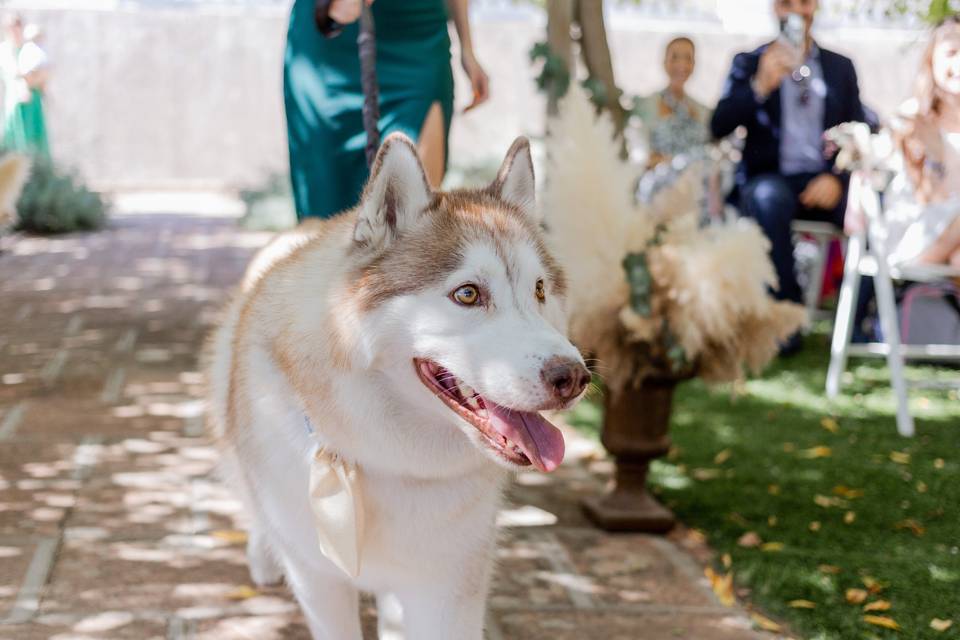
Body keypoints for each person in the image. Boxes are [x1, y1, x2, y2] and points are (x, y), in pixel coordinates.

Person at [711, 0, 871, 312]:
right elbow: (718, 125)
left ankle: (860, 316)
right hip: (770, 180)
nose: (797, 11)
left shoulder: (840, 67)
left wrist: (837, 178)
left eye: (805, 2)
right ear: (775, 9)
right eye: (787, 3)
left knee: (871, 206)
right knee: (769, 198)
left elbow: (859, 131)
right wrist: (760, 84)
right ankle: (788, 313)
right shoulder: (749, 62)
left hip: (825, 180)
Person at [284, 0, 489, 220]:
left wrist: (467, 47)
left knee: (416, 216)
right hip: (329, 46)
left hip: (419, 41)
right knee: (323, 217)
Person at [884, 15, 960, 268]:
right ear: (932, 59)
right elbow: (929, 198)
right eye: (951, 52)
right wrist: (936, 155)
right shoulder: (913, 118)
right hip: (918, 234)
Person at [634, 36, 710, 168]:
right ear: (664, 62)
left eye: (688, 58)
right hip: (662, 181)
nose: (682, 64)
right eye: (675, 57)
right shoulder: (646, 104)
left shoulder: (702, 110)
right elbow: (640, 154)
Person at [0, 14, 50, 158]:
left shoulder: (29, 48)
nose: (15, 32)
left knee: (35, 140)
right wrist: (23, 83)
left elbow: (42, 72)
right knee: (15, 141)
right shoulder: (4, 50)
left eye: (17, 28)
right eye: (11, 29)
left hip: (33, 100)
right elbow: (14, 73)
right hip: (16, 101)